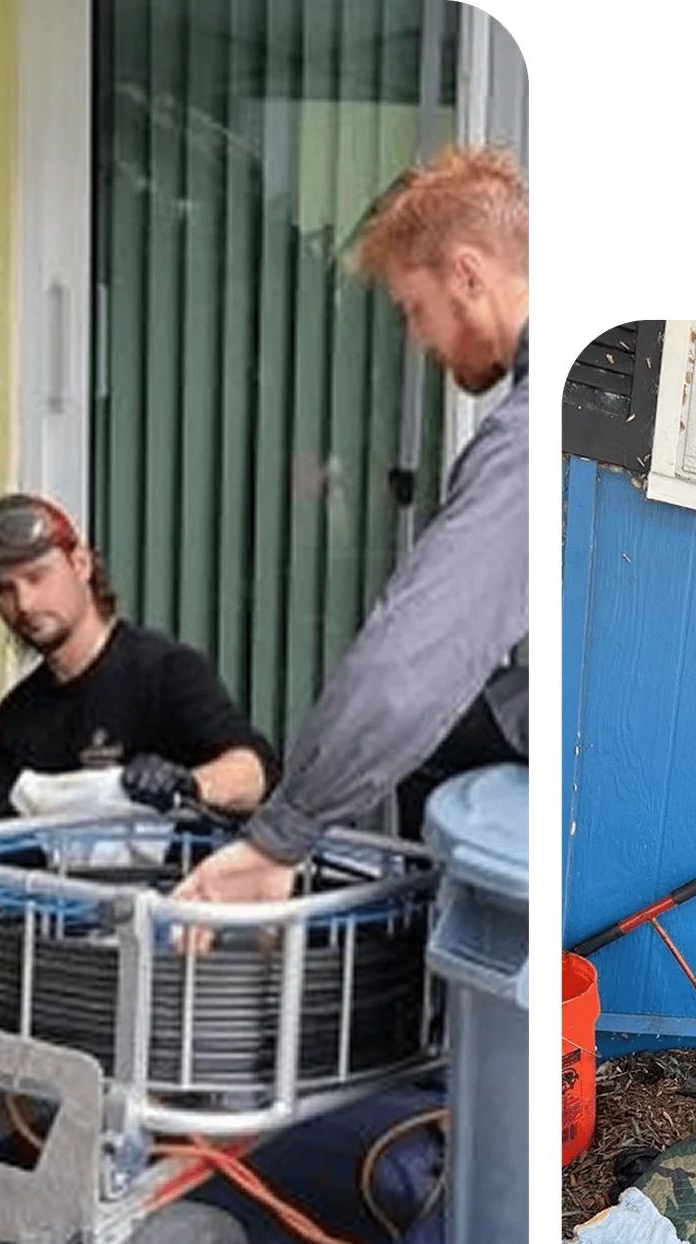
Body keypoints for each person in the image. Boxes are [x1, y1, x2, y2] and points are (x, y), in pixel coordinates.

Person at [174, 144, 527, 914]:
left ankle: (435, 1005)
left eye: (413, 309)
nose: (418, 339)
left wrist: (281, 835)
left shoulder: (540, 431)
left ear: (467, 275)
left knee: (434, 721)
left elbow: (415, 664)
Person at [0, 493, 278, 820]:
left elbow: (255, 770)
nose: (24, 602)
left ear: (81, 564)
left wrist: (189, 785)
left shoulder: (165, 673)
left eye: (36, 577)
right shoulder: (15, 718)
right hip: (51, 872)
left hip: (176, 870)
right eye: (2, 590)